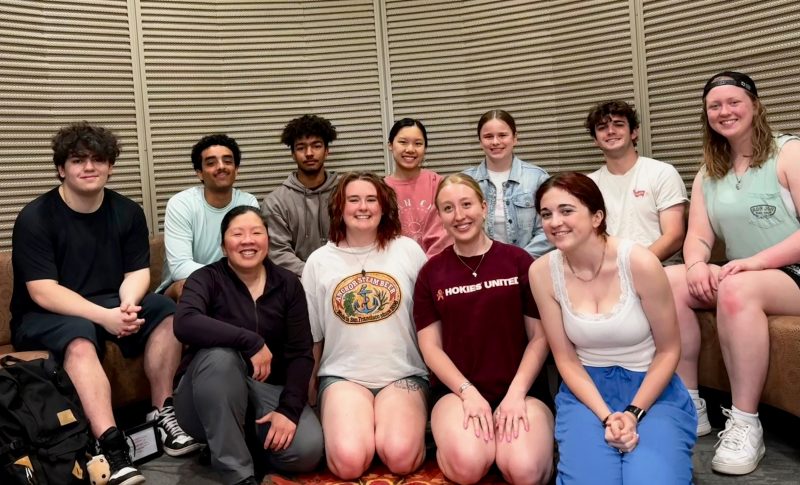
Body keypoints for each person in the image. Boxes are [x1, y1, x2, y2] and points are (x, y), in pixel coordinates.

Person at [10, 122, 198, 485]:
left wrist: (127, 307)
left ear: (110, 165)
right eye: (78, 160)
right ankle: (110, 444)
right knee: (79, 334)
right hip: (44, 313)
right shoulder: (35, 217)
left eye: (98, 159)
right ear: (61, 168)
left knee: (166, 312)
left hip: (110, 303)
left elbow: (138, 272)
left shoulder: (127, 211)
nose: (89, 167)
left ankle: (163, 412)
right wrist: (105, 317)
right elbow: (42, 290)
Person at [664, 71, 800, 475]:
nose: (725, 111)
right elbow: (699, 236)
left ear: (754, 105)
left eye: (734, 102)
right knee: (669, 281)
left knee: (737, 289)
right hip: (745, 273)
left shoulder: (789, 152)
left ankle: (745, 422)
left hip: (789, 272)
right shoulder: (710, 170)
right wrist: (694, 265)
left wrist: (757, 262)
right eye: (714, 106)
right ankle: (690, 404)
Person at [530, 172, 696, 485]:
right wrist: (606, 415)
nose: (555, 222)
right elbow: (565, 358)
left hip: (650, 388)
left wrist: (633, 413)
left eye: (566, 210)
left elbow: (669, 349)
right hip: (586, 391)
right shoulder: (541, 272)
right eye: (546, 214)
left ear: (597, 216)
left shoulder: (639, 262)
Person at [413, 173, 554, 485]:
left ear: (483, 207)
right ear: (440, 217)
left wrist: (516, 393)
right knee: (469, 465)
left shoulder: (518, 261)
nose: (459, 216)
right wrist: (467, 392)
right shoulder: (430, 273)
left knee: (524, 470)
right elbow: (430, 347)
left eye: (466, 204)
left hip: (522, 390)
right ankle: (461, 447)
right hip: (457, 391)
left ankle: (504, 447)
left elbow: (540, 338)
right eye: (448, 208)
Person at [173, 206, 323, 485]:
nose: (248, 240)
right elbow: (185, 323)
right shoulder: (206, 279)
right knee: (220, 358)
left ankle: (233, 447)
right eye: (237, 234)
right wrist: (249, 340)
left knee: (307, 451)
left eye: (256, 232)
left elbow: (301, 354)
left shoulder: (288, 284)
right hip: (203, 397)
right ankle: (239, 476)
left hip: (267, 391)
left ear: (267, 239)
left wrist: (289, 411)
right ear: (223, 244)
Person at [302, 172, 429, 480]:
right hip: (343, 377)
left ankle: (393, 429)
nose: (363, 207)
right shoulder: (318, 262)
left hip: (403, 375)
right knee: (348, 462)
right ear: (339, 208)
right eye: (353, 200)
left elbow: (431, 321)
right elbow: (314, 337)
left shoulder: (408, 251)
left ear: (384, 207)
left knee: (400, 457)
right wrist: (309, 390)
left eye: (371, 199)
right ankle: (363, 430)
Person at [157, 134, 259, 300]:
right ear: (200, 173)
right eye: (211, 163)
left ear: (236, 169)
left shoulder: (248, 202)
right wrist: (228, 278)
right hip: (183, 285)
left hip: (237, 282)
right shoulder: (182, 204)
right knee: (189, 287)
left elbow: (253, 255)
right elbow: (180, 268)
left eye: (227, 161)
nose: (221, 167)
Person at [586, 100, 687, 263]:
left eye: (618, 124)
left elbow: (674, 236)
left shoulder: (662, 172)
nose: (610, 131)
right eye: (602, 127)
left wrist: (632, 266)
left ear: (634, 132)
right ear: (595, 140)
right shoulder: (589, 184)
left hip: (660, 268)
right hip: (607, 273)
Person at [463, 109, 552, 258]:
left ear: (515, 138)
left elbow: (548, 229)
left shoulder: (537, 177)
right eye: (488, 136)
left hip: (529, 266)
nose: (495, 142)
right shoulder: (466, 181)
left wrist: (517, 261)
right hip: (481, 269)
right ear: (480, 141)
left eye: (502, 135)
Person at [262, 114, 339, 276]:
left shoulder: (346, 193)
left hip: (343, 277)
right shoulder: (276, 201)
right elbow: (278, 252)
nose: (309, 153)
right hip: (296, 282)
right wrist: (314, 275)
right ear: (293, 154)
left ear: (327, 151)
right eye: (301, 147)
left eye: (316, 146)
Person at [384, 118, 452, 256]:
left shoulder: (439, 184)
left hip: (438, 264)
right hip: (397, 268)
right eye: (403, 142)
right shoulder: (381, 188)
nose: (410, 149)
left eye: (418, 143)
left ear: (425, 148)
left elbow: (448, 232)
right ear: (390, 145)